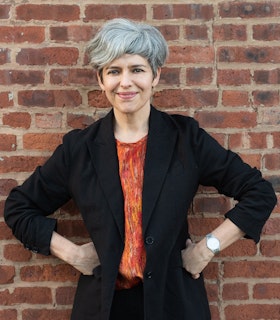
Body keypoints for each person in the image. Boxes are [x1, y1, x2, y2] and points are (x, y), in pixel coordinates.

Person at [4, 18, 277, 320]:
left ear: (155, 75)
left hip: (174, 305)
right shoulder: (79, 149)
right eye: (114, 71)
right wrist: (74, 254)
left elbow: (259, 193)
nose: (125, 82)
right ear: (101, 79)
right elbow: (19, 208)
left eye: (137, 69)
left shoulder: (186, 139)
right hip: (104, 307)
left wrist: (206, 249)